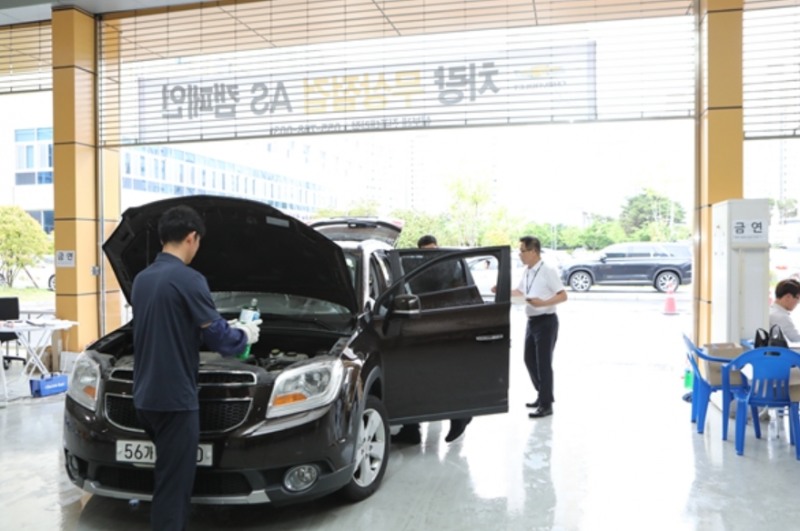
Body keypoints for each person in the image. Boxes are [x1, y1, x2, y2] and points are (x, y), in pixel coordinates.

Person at [131, 205, 262, 531]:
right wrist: (244, 333)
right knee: (173, 487)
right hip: (175, 400)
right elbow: (220, 341)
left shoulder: (142, 280)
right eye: (198, 242)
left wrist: (218, 324)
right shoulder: (189, 279)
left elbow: (171, 326)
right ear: (192, 237)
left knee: (165, 474)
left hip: (144, 397)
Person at [392, 234, 472, 444]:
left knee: (444, 376)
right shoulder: (410, 265)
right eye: (427, 252)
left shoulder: (451, 263)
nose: (431, 255)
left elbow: (462, 290)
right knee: (415, 378)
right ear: (419, 252)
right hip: (417, 322)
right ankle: (412, 429)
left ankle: (459, 416)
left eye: (434, 250)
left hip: (446, 323)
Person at [513, 236, 567, 418]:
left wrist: (543, 303)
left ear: (533, 251)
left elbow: (562, 295)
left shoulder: (548, 270)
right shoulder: (527, 271)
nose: (520, 254)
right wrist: (502, 290)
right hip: (532, 321)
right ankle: (542, 394)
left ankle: (546, 404)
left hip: (546, 321)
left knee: (543, 364)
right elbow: (520, 292)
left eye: (522, 251)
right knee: (529, 360)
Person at [769, 278, 800, 342]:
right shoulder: (780, 316)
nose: (798, 302)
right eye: (797, 298)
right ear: (788, 297)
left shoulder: (771, 311)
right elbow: (796, 340)